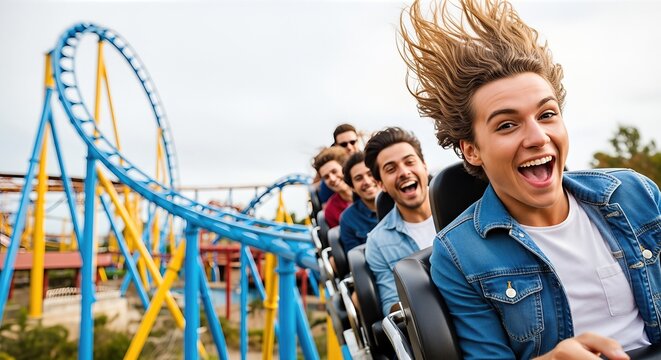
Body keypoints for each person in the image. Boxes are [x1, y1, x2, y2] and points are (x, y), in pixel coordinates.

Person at [400, 0, 661, 359]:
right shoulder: (459, 255)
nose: (538, 136)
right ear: (472, 150)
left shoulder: (635, 193)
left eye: (547, 114)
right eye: (507, 124)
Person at [363, 127, 436, 315]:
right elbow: (391, 304)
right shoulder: (378, 241)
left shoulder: (464, 208)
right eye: (391, 169)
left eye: (410, 162)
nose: (404, 172)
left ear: (424, 166)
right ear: (381, 185)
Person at [339, 152, 380, 253]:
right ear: (352, 187)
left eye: (370, 174)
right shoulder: (348, 219)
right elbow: (357, 261)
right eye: (359, 178)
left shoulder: (401, 201)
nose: (367, 181)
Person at [317, 123, 361, 205]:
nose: (349, 147)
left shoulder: (370, 163)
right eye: (343, 144)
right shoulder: (329, 178)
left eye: (352, 142)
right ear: (336, 146)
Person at [312, 146, 353, 228]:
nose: (332, 178)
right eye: (326, 177)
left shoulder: (368, 191)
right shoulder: (331, 210)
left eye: (334, 171)